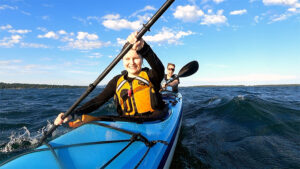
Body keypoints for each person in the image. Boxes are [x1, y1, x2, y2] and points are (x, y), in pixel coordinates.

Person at [54, 31, 166, 125]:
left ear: (142, 59)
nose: (131, 62)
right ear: (122, 60)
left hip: (153, 120)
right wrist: (72, 113)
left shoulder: (152, 75)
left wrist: (144, 48)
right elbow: (98, 101)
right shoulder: (117, 81)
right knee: (102, 118)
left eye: (136, 58)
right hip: (127, 122)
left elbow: (160, 68)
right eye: (127, 59)